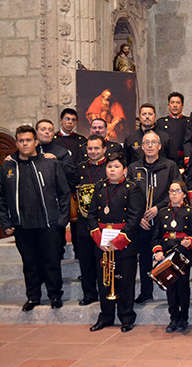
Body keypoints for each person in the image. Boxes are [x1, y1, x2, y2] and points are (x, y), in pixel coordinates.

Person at [0, 125, 70, 312]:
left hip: (49, 224)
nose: (24, 143)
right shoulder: (8, 166)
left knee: (51, 262)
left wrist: (62, 221)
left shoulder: (50, 163)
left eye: (28, 140)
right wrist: (6, 222)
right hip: (22, 225)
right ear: (16, 143)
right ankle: (33, 297)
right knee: (30, 264)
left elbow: (64, 193)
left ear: (36, 142)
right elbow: (2, 198)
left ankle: (55, 296)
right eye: (21, 140)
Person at [88, 152, 143, 332]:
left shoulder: (132, 188)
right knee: (104, 282)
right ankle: (106, 317)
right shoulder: (99, 187)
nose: (112, 170)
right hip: (102, 241)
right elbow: (91, 215)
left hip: (124, 242)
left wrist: (118, 242)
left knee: (125, 281)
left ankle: (126, 317)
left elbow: (134, 218)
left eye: (117, 166)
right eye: (110, 166)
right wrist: (99, 239)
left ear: (125, 170)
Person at [128, 131, 181, 304]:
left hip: (165, 218)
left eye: (153, 142)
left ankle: (171, 291)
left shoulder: (170, 166)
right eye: (146, 143)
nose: (150, 146)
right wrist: (138, 217)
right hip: (142, 221)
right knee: (144, 257)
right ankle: (146, 291)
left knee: (167, 256)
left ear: (159, 146)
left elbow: (178, 190)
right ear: (142, 147)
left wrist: (159, 208)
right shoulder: (133, 168)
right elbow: (128, 195)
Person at [151, 181, 192, 333]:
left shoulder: (191, 212)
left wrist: (189, 241)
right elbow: (156, 237)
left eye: (177, 191)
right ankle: (173, 318)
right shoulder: (162, 212)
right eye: (171, 191)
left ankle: (183, 318)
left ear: (184, 194)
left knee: (183, 287)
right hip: (166, 253)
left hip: (182, 253)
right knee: (170, 287)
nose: (174, 194)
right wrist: (157, 251)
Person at [73, 135, 109, 306]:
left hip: (104, 223)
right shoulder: (79, 168)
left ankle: (105, 293)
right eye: (90, 148)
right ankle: (89, 293)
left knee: (102, 261)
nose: (93, 152)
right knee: (85, 260)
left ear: (104, 149)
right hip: (83, 223)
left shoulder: (110, 168)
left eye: (97, 148)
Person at [156, 92, 189, 167]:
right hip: (165, 160)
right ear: (168, 106)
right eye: (172, 102)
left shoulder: (188, 121)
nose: (175, 105)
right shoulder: (161, 122)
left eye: (178, 103)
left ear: (182, 106)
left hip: (183, 161)